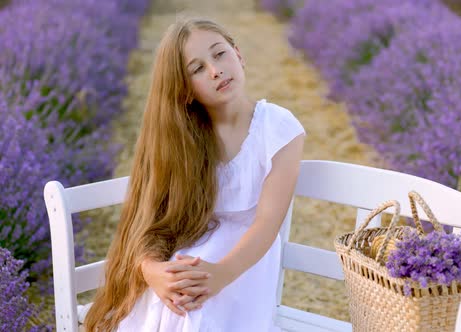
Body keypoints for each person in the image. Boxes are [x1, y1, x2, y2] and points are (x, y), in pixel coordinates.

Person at [84, 17, 306, 331]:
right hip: (190, 251)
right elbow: (150, 221)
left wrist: (219, 275)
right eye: (197, 69)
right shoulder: (181, 139)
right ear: (186, 91)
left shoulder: (277, 127)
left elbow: (267, 223)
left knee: (198, 307)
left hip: (243, 264)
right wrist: (153, 273)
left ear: (238, 54)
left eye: (219, 54)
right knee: (173, 296)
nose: (216, 70)